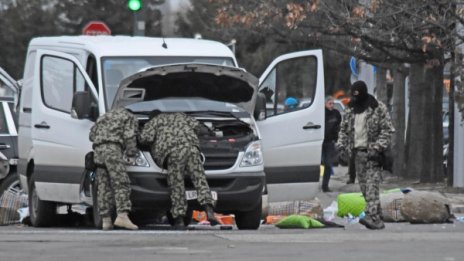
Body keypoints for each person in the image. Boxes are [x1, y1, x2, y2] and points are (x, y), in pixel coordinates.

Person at [139, 110, 219, 229]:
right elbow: (200, 129)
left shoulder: (154, 121)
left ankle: (179, 219)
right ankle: (209, 210)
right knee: (200, 179)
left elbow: (145, 139)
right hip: (192, 149)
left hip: (173, 153)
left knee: (177, 184)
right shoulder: (181, 116)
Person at [336, 81, 394, 230]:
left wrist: (378, 147)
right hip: (357, 154)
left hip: (373, 155)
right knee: (364, 188)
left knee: (371, 187)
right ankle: (378, 216)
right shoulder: (350, 109)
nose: (356, 100)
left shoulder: (377, 108)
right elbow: (343, 129)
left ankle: (373, 218)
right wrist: (341, 146)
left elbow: (387, 130)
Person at [89, 107, 139, 230]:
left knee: (103, 185)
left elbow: (91, 136)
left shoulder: (103, 117)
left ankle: (106, 220)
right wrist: (131, 154)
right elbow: (130, 136)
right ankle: (122, 216)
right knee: (121, 183)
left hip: (98, 151)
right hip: (113, 150)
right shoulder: (129, 117)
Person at [321, 96, 341, 192]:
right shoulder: (321, 113)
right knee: (319, 164)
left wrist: (336, 138)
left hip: (330, 142)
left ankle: (325, 186)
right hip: (320, 142)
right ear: (325, 104)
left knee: (328, 164)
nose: (332, 105)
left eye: (333, 103)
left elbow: (338, 126)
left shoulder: (336, 114)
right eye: (330, 103)